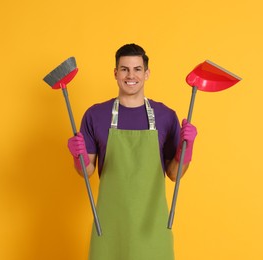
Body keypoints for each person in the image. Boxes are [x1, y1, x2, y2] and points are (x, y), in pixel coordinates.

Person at [67, 43, 197, 260]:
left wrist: (186, 151)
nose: (131, 75)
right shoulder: (95, 115)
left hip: (152, 227)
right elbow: (87, 171)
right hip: (110, 227)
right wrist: (78, 157)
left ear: (147, 74)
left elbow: (174, 174)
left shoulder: (165, 115)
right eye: (124, 69)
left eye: (137, 69)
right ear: (115, 73)